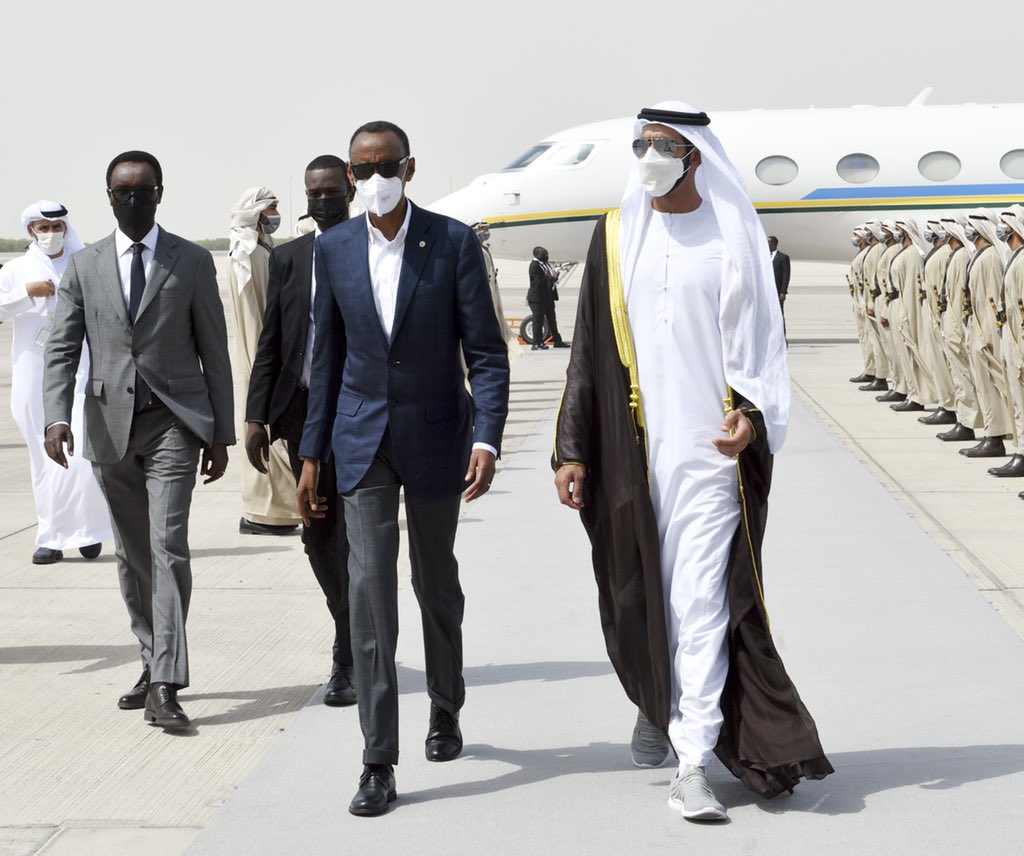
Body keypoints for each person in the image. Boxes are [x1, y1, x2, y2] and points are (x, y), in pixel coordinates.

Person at [552, 102, 832, 823]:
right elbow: (587, 352)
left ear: (695, 156)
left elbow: (765, 350)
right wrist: (572, 447)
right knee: (638, 592)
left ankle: (692, 758)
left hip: (712, 456)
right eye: (640, 144)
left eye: (663, 145)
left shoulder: (732, 234)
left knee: (702, 600)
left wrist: (753, 417)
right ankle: (658, 701)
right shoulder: (618, 236)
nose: (648, 155)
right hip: (633, 456)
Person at [296, 121, 510, 816]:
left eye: (386, 165)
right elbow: (325, 358)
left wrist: (488, 439)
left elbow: (486, 351)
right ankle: (377, 760)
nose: (374, 178)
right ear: (350, 176)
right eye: (362, 169)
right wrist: (311, 454)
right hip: (362, 441)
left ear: (409, 168)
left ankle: (445, 704)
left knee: (434, 580)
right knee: (369, 592)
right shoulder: (333, 248)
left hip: (438, 434)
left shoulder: (451, 241)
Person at [43, 151, 235, 730]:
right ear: (109, 198)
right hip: (110, 427)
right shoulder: (85, 266)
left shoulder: (191, 261)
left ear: (160, 194)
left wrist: (220, 434)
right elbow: (62, 348)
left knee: (168, 545)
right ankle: (152, 661)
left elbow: (215, 351)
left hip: (175, 421)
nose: (133, 201)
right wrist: (56, 418)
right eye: (123, 192)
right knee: (132, 556)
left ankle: (167, 683)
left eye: (143, 191)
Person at [245, 155, 356, 706]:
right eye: (313, 194)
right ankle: (349, 628)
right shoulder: (290, 258)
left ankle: (349, 653)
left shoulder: (369, 249)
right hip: (300, 410)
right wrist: (255, 416)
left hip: (357, 412)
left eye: (330, 191)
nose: (321, 201)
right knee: (317, 537)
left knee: (352, 535)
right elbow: (272, 342)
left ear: (350, 190)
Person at [0, 201, 111, 564]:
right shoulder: (15, 270)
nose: (50, 234)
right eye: (42, 228)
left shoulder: (84, 262)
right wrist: (26, 293)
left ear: (66, 227)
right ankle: (52, 536)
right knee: (42, 458)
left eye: (56, 226)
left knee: (80, 455)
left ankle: (88, 531)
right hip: (32, 372)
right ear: (31, 231)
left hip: (79, 370)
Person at [229, 186, 301, 536]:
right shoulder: (248, 256)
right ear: (256, 214)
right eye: (271, 209)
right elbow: (257, 317)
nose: (275, 216)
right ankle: (263, 513)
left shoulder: (262, 251)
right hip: (259, 358)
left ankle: (280, 510)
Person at [960, 210, 1012, 459]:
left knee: (991, 386)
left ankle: (995, 438)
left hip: (986, 333)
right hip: (977, 329)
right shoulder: (980, 256)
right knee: (983, 386)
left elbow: (992, 302)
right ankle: (991, 434)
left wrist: (986, 337)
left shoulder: (990, 258)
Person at [935, 216, 982, 443]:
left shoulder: (962, 255)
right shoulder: (955, 255)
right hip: (950, 324)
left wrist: (956, 327)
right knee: (957, 376)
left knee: (963, 377)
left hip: (956, 327)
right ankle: (962, 420)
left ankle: (967, 425)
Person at [991, 206, 1024, 480]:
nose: (1000, 228)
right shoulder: (1015, 258)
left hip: (1019, 342)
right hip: (1011, 340)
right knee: (1016, 401)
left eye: (1004, 223)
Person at [917, 219, 958, 425]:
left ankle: (949, 407)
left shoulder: (944, 255)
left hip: (939, 316)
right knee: (936, 362)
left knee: (944, 365)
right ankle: (944, 403)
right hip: (932, 314)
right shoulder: (939, 253)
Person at [847, 226, 876, 384]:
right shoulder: (862, 253)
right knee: (864, 337)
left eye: (856, 235)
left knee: (870, 338)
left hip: (865, 299)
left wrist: (869, 303)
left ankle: (874, 371)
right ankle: (869, 368)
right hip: (858, 298)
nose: (854, 238)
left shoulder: (869, 253)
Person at [526, 246, 569, 349]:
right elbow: (538, 282)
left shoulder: (546, 264)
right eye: (544, 254)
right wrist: (549, 278)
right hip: (537, 298)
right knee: (538, 321)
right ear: (537, 255)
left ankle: (557, 341)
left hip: (548, 297)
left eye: (546, 254)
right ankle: (537, 343)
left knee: (552, 320)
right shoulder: (534, 266)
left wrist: (554, 277)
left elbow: (548, 278)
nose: (546, 256)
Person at [767, 235, 790, 313]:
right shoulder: (764, 257)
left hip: (777, 290)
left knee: (778, 312)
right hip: (766, 290)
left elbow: (786, 276)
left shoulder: (783, 257)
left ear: (773, 244)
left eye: (768, 243)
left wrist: (783, 292)